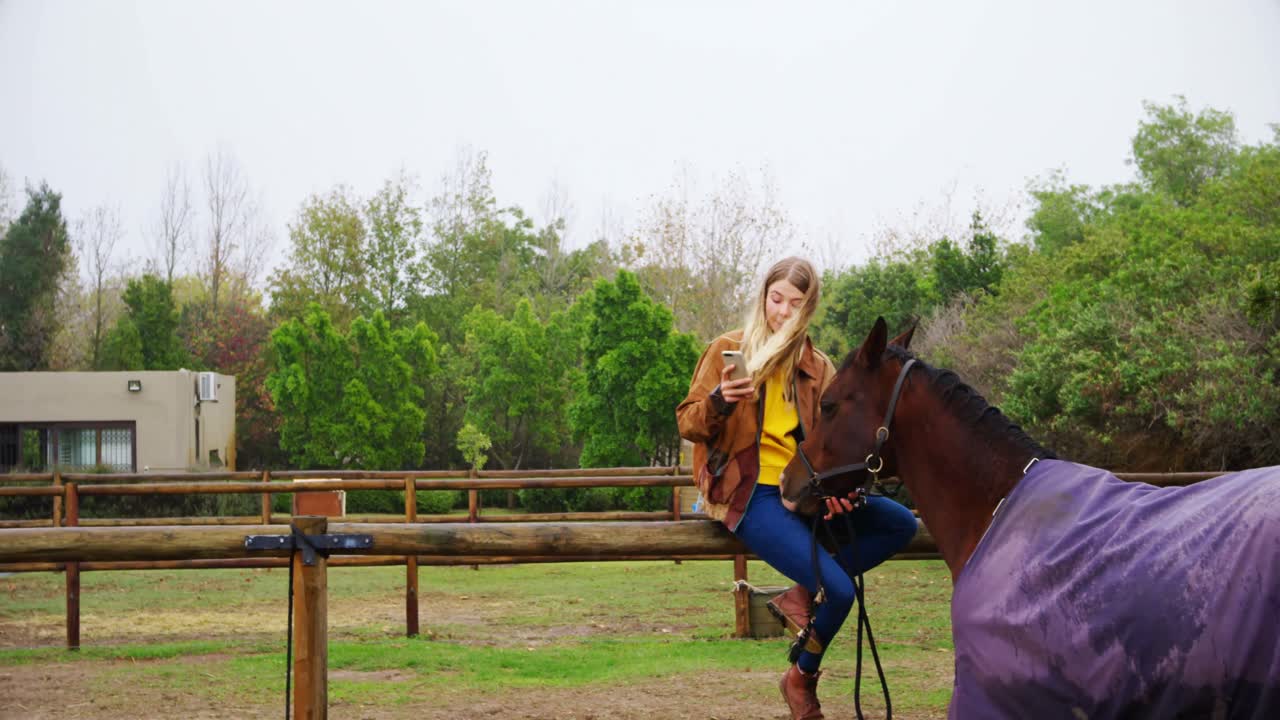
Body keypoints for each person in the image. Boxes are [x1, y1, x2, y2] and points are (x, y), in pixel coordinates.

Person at [675, 256, 917, 720]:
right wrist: (720, 401)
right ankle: (800, 678)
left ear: (809, 308)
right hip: (749, 494)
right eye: (776, 299)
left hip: (803, 493)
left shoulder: (818, 367)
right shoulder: (728, 349)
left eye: (795, 303)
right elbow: (688, 422)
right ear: (764, 297)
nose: (782, 312)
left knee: (899, 523)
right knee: (842, 592)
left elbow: (829, 443)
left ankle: (801, 595)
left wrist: (844, 492)